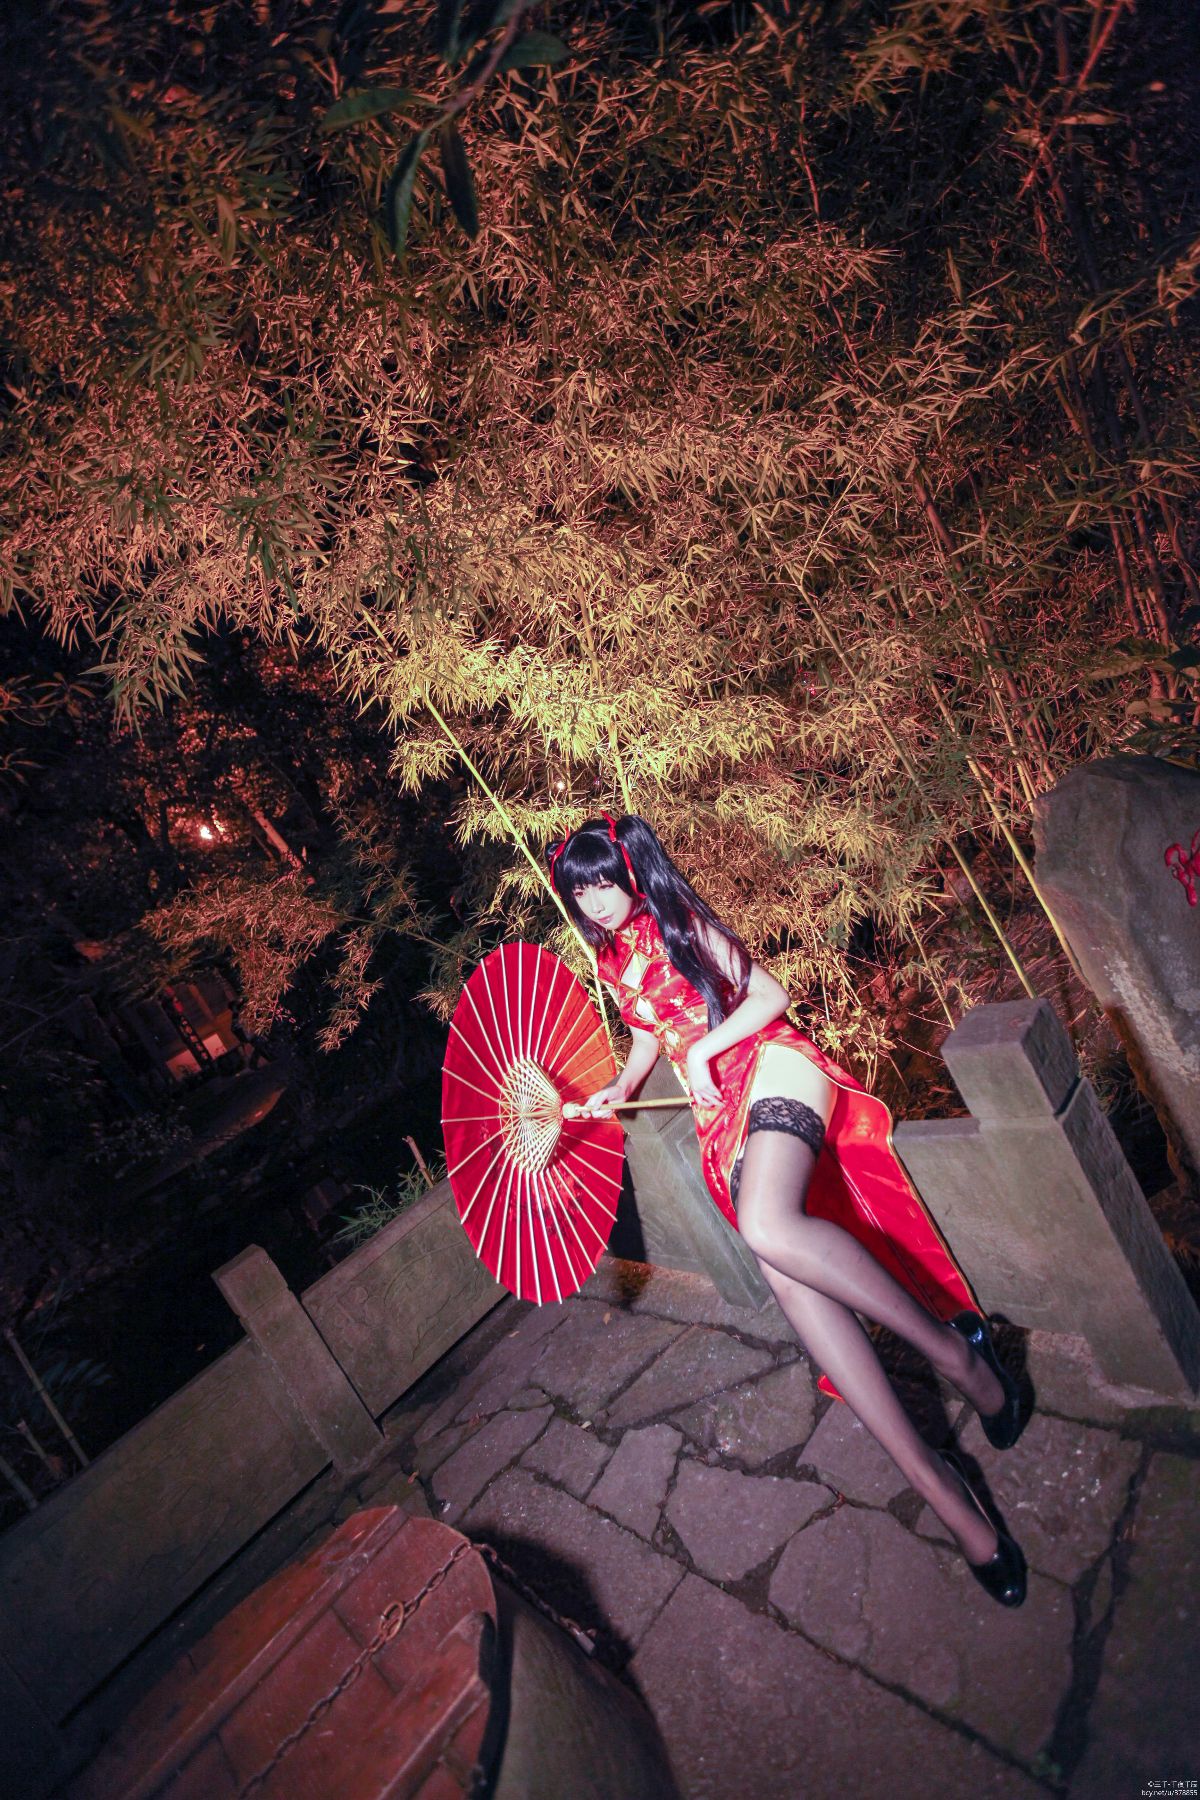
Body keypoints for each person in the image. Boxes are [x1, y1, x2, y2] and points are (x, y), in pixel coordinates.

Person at [547, 812, 1028, 1607]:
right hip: (719, 1119)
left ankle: (956, 1355)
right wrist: (620, 1087)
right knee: (788, 1279)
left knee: (766, 1225)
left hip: (772, 1066)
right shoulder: (607, 957)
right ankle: (940, 1487)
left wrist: (705, 1050)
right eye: (581, 891)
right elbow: (647, 1033)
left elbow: (769, 995)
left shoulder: (679, 921)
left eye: (604, 882)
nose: (596, 901)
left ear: (631, 872)